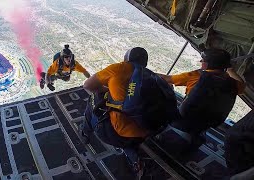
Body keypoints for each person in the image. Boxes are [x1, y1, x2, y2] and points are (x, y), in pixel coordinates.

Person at [81, 47, 179, 178]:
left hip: (113, 135)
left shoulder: (119, 68)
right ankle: (133, 156)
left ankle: (85, 131)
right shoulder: (152, 76)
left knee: (95, 98)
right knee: (128, 126)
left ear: (126, 59)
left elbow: (88, 86)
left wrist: (108, 91)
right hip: (147, 132)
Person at [158, 48, 246, 144]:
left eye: (203, 60)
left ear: (210, 64)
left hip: (181, 121)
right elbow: (242, 84)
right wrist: (230, 70)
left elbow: (168, 79)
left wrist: (145, 71)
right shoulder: (234, 85)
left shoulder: (196, 76)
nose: (201, 61)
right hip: (203, 127)